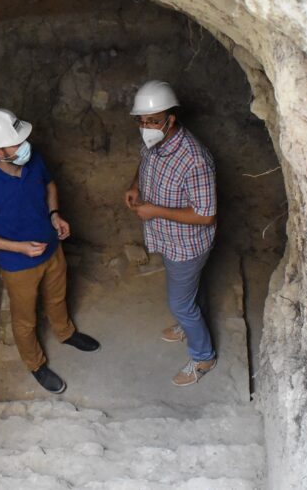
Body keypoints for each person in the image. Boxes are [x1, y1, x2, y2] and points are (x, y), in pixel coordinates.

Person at [0, 108, 99, 394]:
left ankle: (65, 333)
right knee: (25, 319)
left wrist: (55, 215)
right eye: (16, 142)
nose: (25, 145)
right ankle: (35, 364)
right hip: (18, 265)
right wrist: (18, 247)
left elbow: (49, 184)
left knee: (58, 296)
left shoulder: (33, 160)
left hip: (52, 248)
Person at [123, 80, 218, 386]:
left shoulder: (194, 160)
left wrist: (155, 211)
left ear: (171, 119)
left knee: (180, 302)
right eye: (142, 120)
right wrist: (135, 185)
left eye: (153, 120)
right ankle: (188, 322)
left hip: (186, 244)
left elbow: (206, 216)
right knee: (188, 290)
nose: (146, 126)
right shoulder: (155, 139)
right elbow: (144, 162)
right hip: (166, 236)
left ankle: (203, 357)